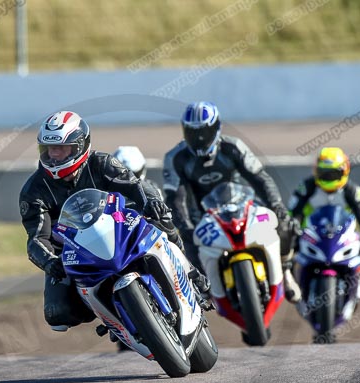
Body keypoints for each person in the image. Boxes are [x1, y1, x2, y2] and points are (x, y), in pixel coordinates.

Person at [19, 111, 210, 333]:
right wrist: (49, 261)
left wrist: (151, 203)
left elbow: (134, 186)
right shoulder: (33, 191)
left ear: (80, 146)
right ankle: (112, 317)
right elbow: (36, 238)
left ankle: (190, 273)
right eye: (49, 149)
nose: (54, 155)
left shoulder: (102, 163)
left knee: (161, 217)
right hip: (73, 252)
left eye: (61, 148)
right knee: (57, 314)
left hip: (117, 228)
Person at [162, 101, 302, 303]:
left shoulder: (233, 147)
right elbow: (176, 199)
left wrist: (277, 206)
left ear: (216, 127)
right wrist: (186, 228)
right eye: (193, 132)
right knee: (185, 247)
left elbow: (260, 178)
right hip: (203, 218)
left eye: (204, 132)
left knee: (284, 224)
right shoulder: (176, 158)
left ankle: (286, 273)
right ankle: (203, 296)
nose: (199, 138)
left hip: (244, 207)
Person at [288, 146, 360, 299]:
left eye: (333, 174)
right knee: (288, 251)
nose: (329, 178)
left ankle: (358, 278)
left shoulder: (353, 191)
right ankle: (291, 282)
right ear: (317, 172)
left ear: (344, 171)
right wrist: (291, 228)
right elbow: (292, 210)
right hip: (311, 234)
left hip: (343, 236)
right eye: (325, 174)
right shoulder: (306, 187)